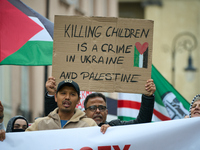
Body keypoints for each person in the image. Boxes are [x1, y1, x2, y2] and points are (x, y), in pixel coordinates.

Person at [45, 77, 156, 126]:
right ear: (84, 112)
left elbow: (142, 123)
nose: (98, 111)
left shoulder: (114, 127)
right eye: (93, 108)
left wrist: (148, 96)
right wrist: (51, 94)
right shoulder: (74, 127)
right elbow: (53, 122)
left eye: (101, 108)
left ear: (107, 112)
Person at [26, 79, 103, 132]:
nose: (67, 97)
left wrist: (108, 131)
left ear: (78, 100)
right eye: (63, 93)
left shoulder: (89, 125)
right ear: (55, 97)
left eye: (72, 94)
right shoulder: (40, 124)